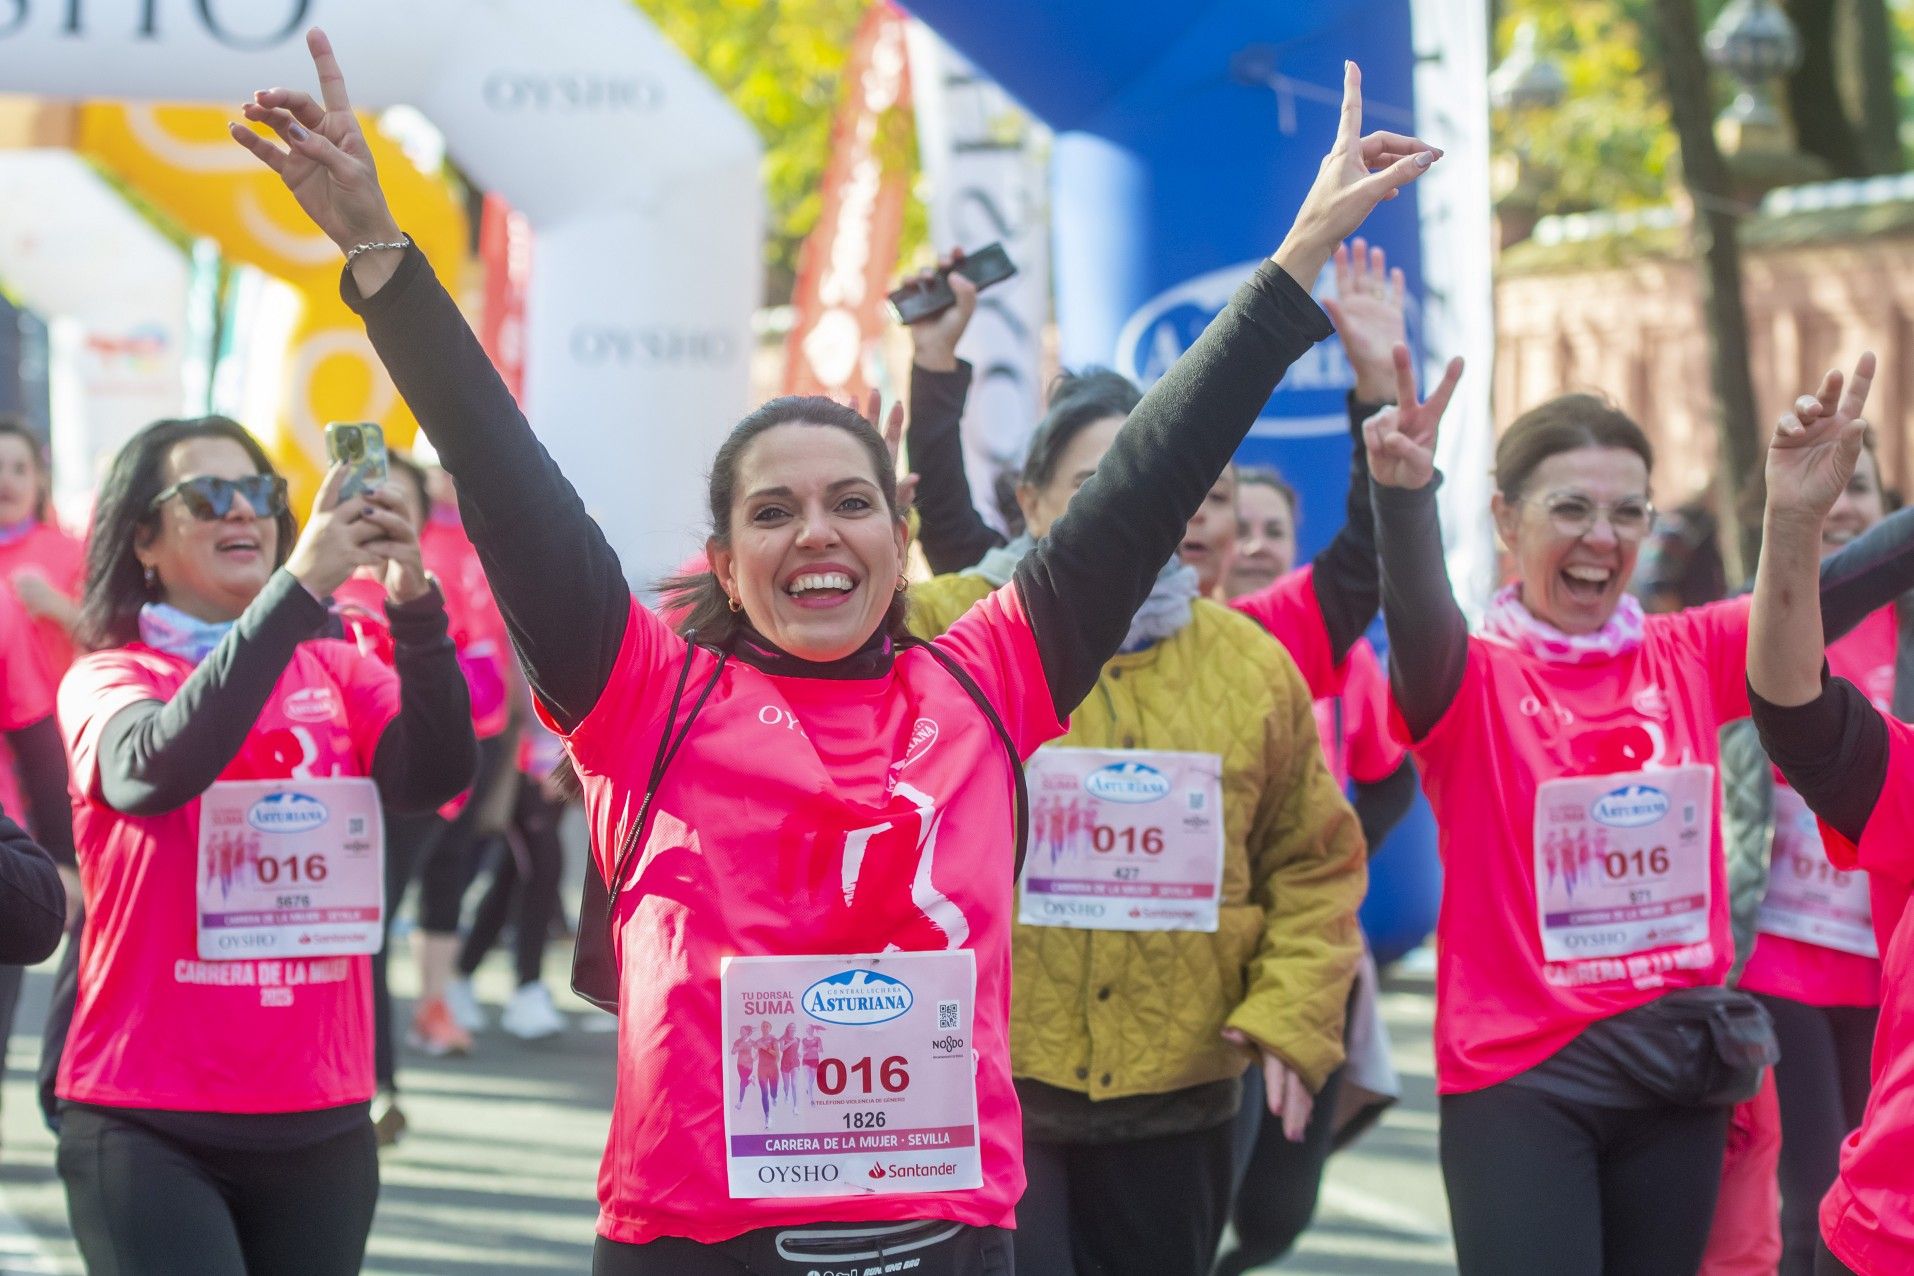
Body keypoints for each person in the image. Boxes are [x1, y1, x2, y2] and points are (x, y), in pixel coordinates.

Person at [232, 31, 1436, 1274]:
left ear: (898, 531)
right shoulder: (644, 693)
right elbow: (506, 476)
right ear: (726, 553)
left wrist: (1292, 268)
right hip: (700, 1239)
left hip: (945, 1234)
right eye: (773, 510)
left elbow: (1141, 484)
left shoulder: (985, 676)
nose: (817, 532)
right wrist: (380, 253)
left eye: (850, 502)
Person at [1366, 346, 1914, 1276]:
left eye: (1628, 512)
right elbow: (1417, 625)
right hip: (1520, 1074)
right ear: (1505, 519)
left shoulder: (1691, 651)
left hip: (1678, 1067)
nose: (1602, 537)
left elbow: (1834, 588)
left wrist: (1801, 505)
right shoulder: (1469, 675)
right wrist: (1404, 497)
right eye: (1571, 508)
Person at [906, 329, 1367, 1275]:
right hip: (986, 1085)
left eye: (1155, 486)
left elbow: (1313, 863)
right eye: (1093, 488)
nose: (1128, 513)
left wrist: (1290, 1012)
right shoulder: (942, 629)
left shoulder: (1250, 666)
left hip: (1184, 1096)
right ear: (1029, 501)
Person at [52, 412, 475, 1275]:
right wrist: (301, 586)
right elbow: (152, 770)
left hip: (323, 1119)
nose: (242, 512)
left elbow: (433, 776)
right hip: (146, 1119)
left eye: (261, 493)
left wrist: (412, 600)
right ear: (143, 537)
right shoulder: (110, 677)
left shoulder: (339, 667)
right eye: (210, 496)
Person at [1747, 356, 1914, 1276]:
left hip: (1872, 961)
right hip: (1788, 948)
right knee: (1807, 1177)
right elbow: (1794, 714)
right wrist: (1797, 525)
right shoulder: (1755, 620)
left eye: (1866, 494)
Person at [0, 417, 87, 677]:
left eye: (19, 469)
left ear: (39, 480)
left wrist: (59, 607)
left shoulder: (72, 551)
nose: (6, 480)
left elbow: (107, 634)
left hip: (52, 710)